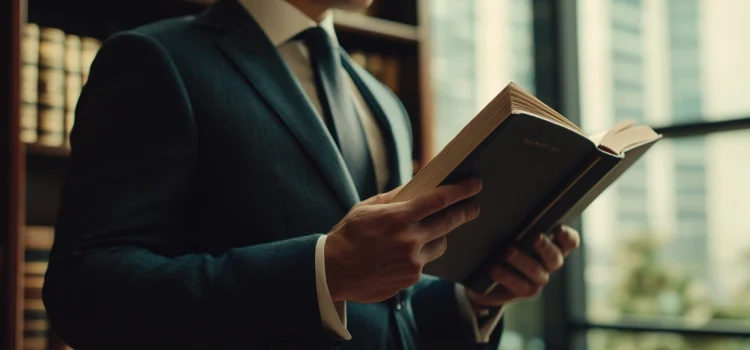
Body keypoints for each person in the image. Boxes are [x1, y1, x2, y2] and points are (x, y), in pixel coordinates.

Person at [42, 0, 581, 349]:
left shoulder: (382, 101)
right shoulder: (156, 59)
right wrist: (321, 271)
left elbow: (389, 313)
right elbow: (86, 292)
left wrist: (477, 299)